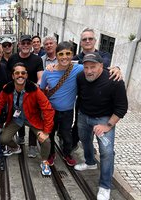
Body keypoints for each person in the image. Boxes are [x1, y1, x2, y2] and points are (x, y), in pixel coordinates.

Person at [74, 52, 128, 200]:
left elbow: (122, 107)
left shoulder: (114, 80)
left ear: (102, 66)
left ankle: (105, 186)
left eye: (93, 67)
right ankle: (90, 162)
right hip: (83, 116)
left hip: (104, 119)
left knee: (107, 152)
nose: (89, 71)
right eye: (86, 67)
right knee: (84, 141)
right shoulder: (80, 77)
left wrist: (108, 125)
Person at [0, 62, 55, 175]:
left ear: (27, 75)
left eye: (23, 73)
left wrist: (46, 131)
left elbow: (48, 109)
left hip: (32, 118)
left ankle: (44, 161)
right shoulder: (7, 88)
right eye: (17, 73)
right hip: (17, 118)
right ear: (13, 76)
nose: (20, 75)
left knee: (46, 140)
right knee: (4, 139)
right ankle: (16, 148)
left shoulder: (34, 89)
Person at [71, 28, 120, 151]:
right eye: (84, 39)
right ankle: (75, 146)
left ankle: (98, 150)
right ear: (81, 42)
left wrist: (117, 68)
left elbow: (105, 69)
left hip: (101, 100)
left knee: (100, 131)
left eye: (90, 38)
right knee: (79, 125)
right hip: (83, 99)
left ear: (95, 41)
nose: (87, 41)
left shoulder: (104, 56)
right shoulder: (75, 58)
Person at [40, 41, 81, 166]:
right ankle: (51, 153)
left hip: (68, 111)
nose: (64, 57)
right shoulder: (48, 72)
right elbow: (41, 90)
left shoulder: (78, 69)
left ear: (72, 55)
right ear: (56, 55)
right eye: (61, 54)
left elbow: (95, 67)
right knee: (50, 134)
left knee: (66, 135)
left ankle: (67, 153)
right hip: (51, 111)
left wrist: (115, 69)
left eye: (68, 53)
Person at [7, 34, 43, 158]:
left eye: (28, 43)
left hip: (32, 94)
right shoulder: (13, 58)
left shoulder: (37, 60)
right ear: (19, 44)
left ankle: (32, 146)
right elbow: (9, 76)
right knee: (18, 115)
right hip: (17, 94)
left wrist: (36, 89)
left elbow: (40, 78)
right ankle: (21, 137)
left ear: (32, 45)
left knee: (33, 119)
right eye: (24, 43)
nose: (26, 45)